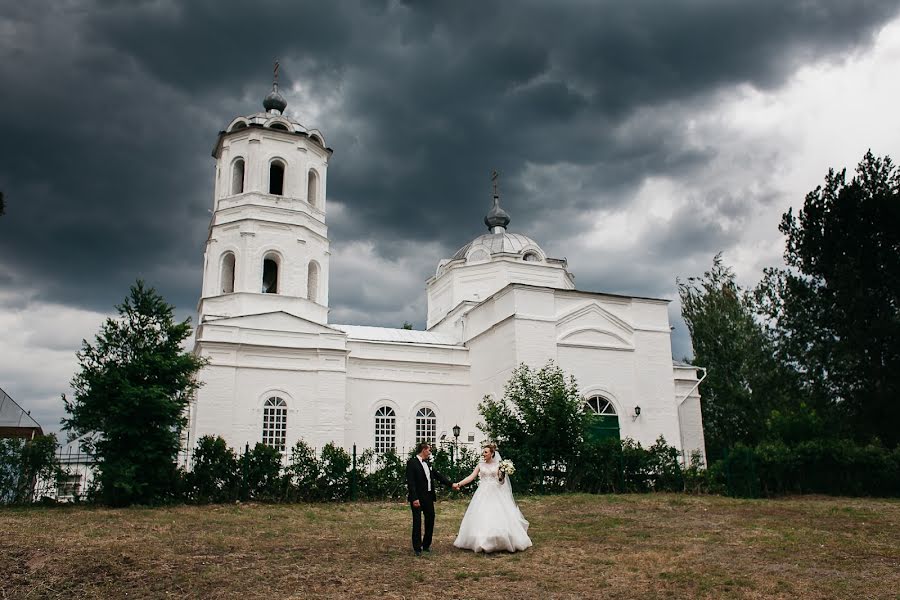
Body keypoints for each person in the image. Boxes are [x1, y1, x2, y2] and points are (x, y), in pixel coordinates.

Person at [453, 443, 532, 553]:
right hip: (483, 492)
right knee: (482, 515)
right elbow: (471, 477)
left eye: (486, 452)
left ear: (492, 454)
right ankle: (482, 539)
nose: (483, 454)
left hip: (495, 492)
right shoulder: (480, 465)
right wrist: (459, 484)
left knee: (497, 514)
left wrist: (503, 474)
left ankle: (500, 538)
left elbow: (501, 481)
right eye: (483, 452)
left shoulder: (498, 465)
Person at [406, 441, 458, 556]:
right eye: (429, 450)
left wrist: (451, 484)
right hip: (418, 497)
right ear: (423, 450)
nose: (430, 452)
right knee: (417, 521)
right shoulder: (412, 463)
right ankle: (417, 548)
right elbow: (411, 482)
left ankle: (426, 545)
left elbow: (438, 476)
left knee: (430, 519)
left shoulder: (428, 463)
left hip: (428, 497)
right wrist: (414, 498)